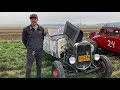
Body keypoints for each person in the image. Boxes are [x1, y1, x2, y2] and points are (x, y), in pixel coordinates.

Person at [22, 14, 45, 78]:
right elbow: (24, 40)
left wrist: (39, 46)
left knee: (39, 66)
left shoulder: (41, 29)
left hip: (39, 51)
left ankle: (38, 76)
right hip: (31, 51)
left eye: (34, 19)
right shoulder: (26, 29)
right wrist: (29, 48)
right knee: (29, 67)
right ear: (30, 20)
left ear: (37, 19)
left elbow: (42, 38)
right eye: (32, 19)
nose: (33, 20)